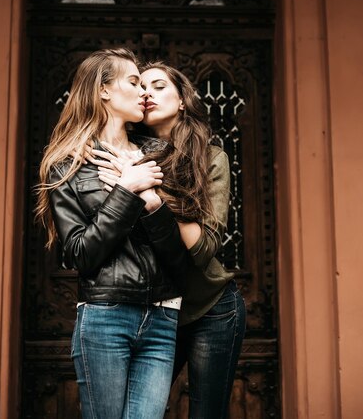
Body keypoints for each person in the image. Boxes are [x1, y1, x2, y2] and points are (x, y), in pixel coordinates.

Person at [35, 48, 188, 419]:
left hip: (163, 316)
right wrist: (126, 190)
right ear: (103, 90)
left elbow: (179, 258)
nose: (143, 93)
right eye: (133, 82)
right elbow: (80, 253)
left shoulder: (161, 156)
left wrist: (150, 198)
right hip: (105, 315)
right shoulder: (67, 165)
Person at [94, 62, 246, 419]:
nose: (146, 93)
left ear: (182, 101)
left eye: (159, 86)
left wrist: (148, 189)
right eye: (140, 86)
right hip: (154, 310)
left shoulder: (211, 157)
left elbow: (202, 247)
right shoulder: (124, 152)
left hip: (211, 308)